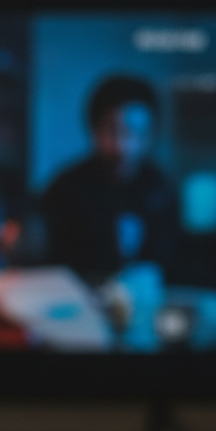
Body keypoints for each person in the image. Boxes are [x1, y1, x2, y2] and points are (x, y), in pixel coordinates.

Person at [41, 75, 177, 284]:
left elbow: (173, 264)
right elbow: (51, 267)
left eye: (137, 133)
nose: (125, 147)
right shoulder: (64, 190)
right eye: (114, 131)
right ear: (94, 129)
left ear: (151, 134)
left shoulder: (161, 188)